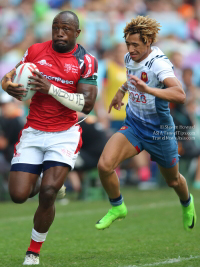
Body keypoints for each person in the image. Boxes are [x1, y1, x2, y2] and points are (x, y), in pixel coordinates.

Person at [1, 11, 98, 265]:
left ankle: (33, 252)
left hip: (64, 134)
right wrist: (7, 85)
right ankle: (44, 178)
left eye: (66, 29)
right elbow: (9, 77)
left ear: (77, 33)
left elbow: (87, 105)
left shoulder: (86, 61)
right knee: (18, 195)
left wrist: (50, 88)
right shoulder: (35, 51)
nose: (59, 32)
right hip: (33, 130)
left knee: (48, 192)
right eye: (56, 27)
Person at [95, 16, 196, 232]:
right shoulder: (129, 57)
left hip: (159, 131)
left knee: (173, 181)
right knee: (104, 165)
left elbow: (180, 95)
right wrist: (121, 92)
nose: (130, 49)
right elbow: (134, 77)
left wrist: (149, 90)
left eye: (135, 45)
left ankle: (187, 203)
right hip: (134, 125)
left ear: (148, 41)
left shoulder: (159, 63)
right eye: (128, 44)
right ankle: (117, 207)